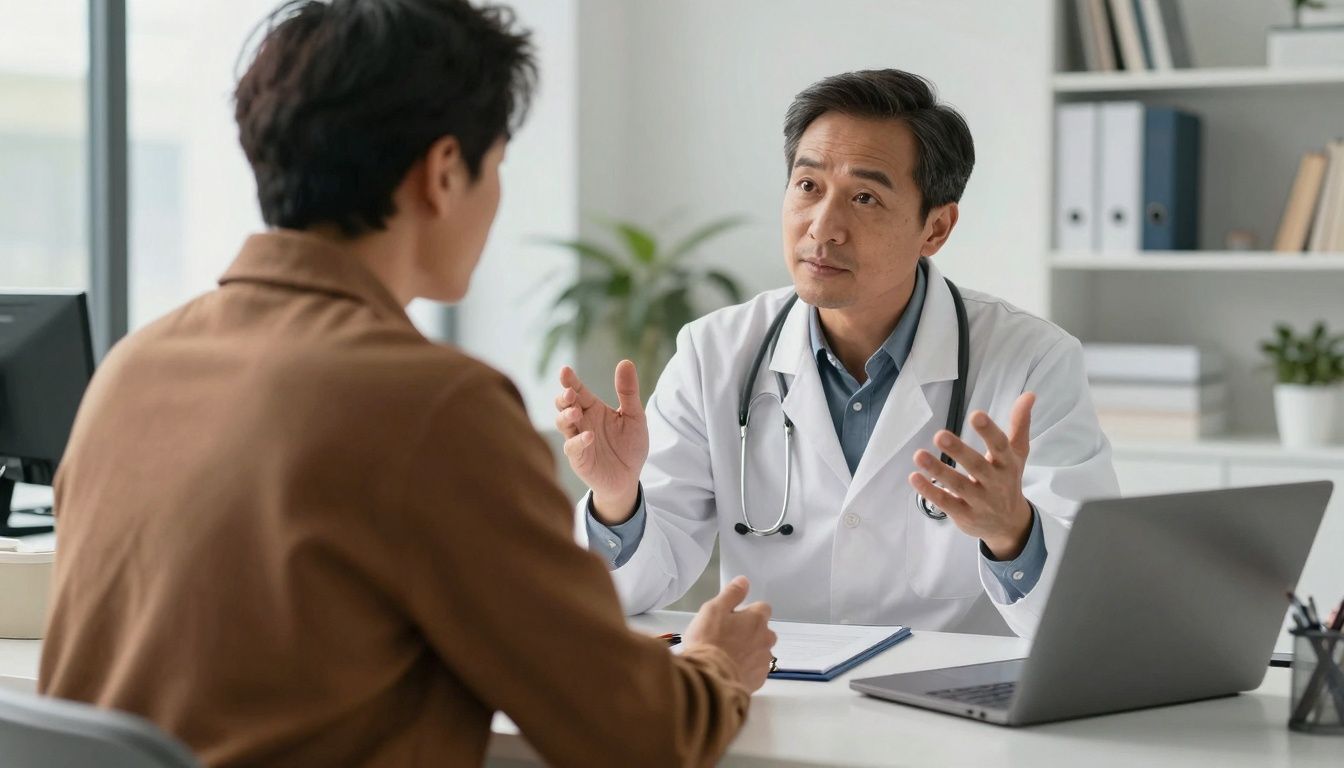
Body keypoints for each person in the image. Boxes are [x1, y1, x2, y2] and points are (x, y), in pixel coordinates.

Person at [39, 1, 774, 765]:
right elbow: (638, 736)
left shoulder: (132, 368)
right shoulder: (435, 407)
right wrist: (716, 661)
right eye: (497, 168)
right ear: (445, 171)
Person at [556, 69, 1119, 639]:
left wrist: (1013, 532)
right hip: (778, 695)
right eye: (808, 187)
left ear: (936, 228)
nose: (823, 228)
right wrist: (617, 496)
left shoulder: (1033, 361)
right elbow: (636, 589)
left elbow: (1089, 612)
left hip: (951, 705)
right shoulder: (714, 352)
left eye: (866, 197)